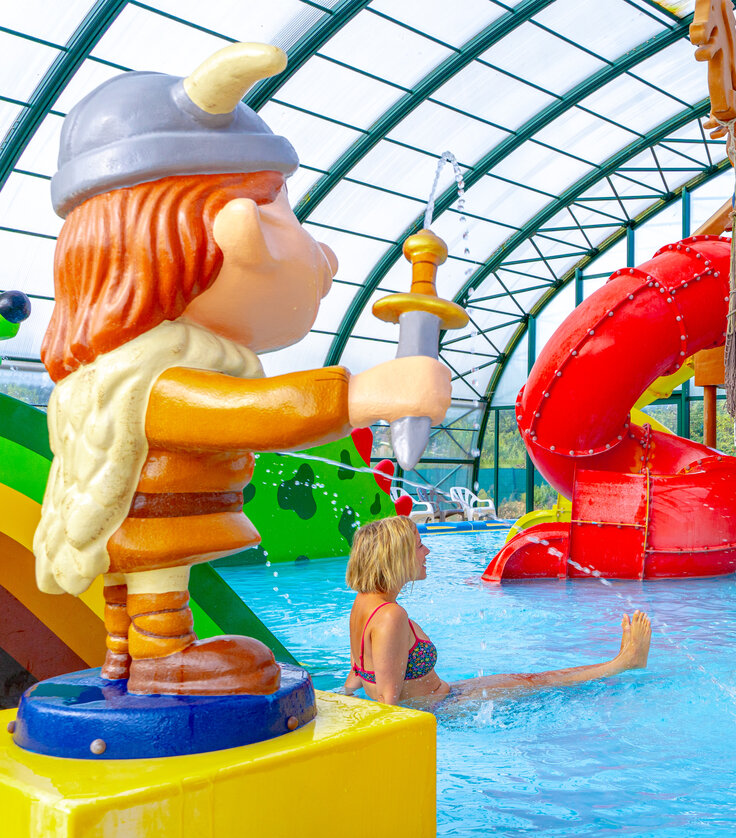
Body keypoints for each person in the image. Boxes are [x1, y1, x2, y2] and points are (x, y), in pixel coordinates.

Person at [32, 43, 451, 696]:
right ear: (231, 227)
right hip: (155, 527)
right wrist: (367, 393)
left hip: (143, 524)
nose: (325, 256)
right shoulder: (151, 383)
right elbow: (251, 414)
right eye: (282, 210)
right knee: (158, 579)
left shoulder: (120, 379)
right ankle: (159, 653)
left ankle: (124, 650)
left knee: (133, 577)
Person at [343, 516, 651, 707]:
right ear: (396, 556)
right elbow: (388, 703)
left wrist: (345, 695)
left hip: (446, 696)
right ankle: (623, 663)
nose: (428, 552)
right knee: (539, 684)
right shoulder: (391, 616)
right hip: (446, 709)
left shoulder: (364, 603)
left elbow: (361, 666)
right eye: (419, 546)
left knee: (530, 679)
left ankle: (620, 662)